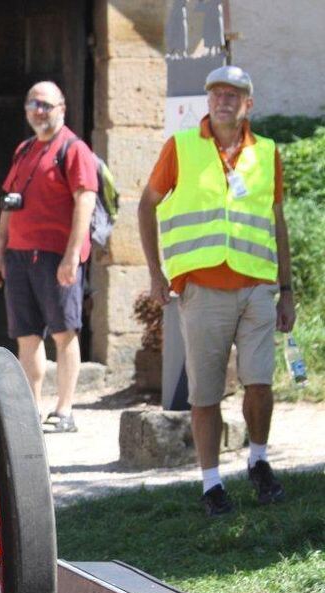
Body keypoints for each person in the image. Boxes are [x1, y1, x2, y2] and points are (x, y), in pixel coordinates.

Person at [138, 65, 294, 517]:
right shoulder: (181, 147)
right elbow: (147, 205)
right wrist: (155, 271)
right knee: (205, 394)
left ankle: (259, 461)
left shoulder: (267, 153)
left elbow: (276, 222)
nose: (223, 100)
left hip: (258, 287)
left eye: (234, 94)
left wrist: (287, 290)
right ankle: (212, 483)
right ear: (207, 101)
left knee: (260, 384)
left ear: (249, 103)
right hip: (202, 289)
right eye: (216, 93)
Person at [0, 82, 98, 434]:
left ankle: (64, 410)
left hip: (55, 256)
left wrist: (72, 255)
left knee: (65, 333)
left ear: (61, 108)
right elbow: (9, 202)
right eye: (33, 103)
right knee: (27, 336)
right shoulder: (24, 150)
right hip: (20, 256)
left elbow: (85, 201)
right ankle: (31, 412)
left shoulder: (73, 148)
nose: (39, 110)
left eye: (46, 105)